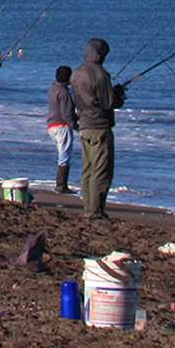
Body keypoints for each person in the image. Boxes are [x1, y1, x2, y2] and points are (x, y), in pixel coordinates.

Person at [69, 38, 126, 219]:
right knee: (101, 170)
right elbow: (109, 102)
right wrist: (118, 95)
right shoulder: (101, 74)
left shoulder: (76, 73)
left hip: (84, 125)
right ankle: (95, 211)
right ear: (100, 54)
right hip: (100, 126)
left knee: (88, 168)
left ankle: (88, 206)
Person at [46, 64, 79, 196]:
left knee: (63, 154)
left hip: (52, 126)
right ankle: (61, 185)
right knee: (64, 155)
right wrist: (75, 125)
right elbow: (66, 114)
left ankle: (61, 184)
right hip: (62, 126)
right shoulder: (64, 92)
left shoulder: (53, 89)